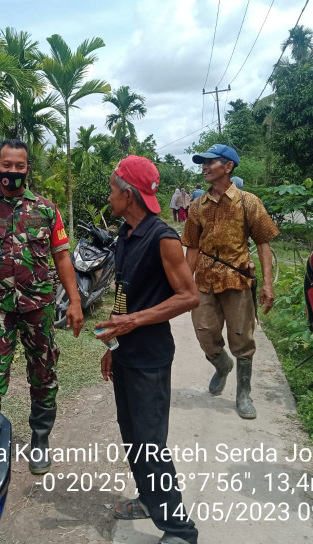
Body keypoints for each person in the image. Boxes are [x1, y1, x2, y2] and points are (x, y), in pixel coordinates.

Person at [0, 139, 84, 474]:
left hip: (38, 307)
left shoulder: (46, 210)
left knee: (43, 375)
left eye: (19, 166)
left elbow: (62, 256)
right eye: (7, 165)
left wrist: (75, 300)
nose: (13, 171)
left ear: (28, 168)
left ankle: (40, 440)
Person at [95, 155, 199, 544]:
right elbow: (124, 294)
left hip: (151, 359)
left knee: (151, 445)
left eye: (112, 190)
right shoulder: (126, 235)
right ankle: (147, 499)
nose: (109, 197)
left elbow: (189, 297)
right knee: (131, 433)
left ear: (129, 194)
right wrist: (113, 341)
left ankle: (180, 530)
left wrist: (135, 321)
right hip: (126, 355)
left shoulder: (163, 238)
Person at [181, 144, 279, 419]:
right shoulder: (197, 206)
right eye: (203, 163)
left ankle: (243, 393)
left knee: (241, 337)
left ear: (228, 166)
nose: (205, 167)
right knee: (203, 331)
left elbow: (263, 243)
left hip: (237, 280)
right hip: (204, 281)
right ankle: (222, 365)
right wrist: (184, 285)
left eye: (210, 162)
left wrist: (268, 285)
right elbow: (191, 247)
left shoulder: (249, 202)